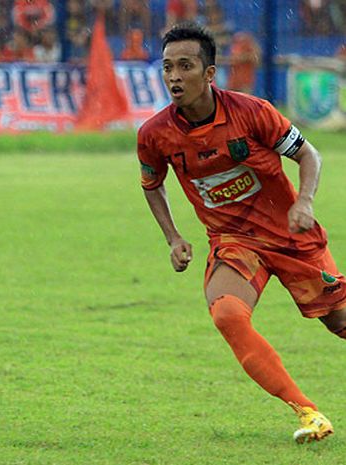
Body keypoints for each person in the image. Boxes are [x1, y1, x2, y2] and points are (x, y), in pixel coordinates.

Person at [137, 23, 345, 443]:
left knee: (339, 320)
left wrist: (304, 202)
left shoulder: (252, 112)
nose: (174, 77)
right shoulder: (154, 135)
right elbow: (152, 185)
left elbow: (308, 153)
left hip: (291, 235)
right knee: (228, 314)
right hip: (234, 242)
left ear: (209, 73)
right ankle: (308, 413)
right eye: (167, 68)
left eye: (185, 66)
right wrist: (173, 237)